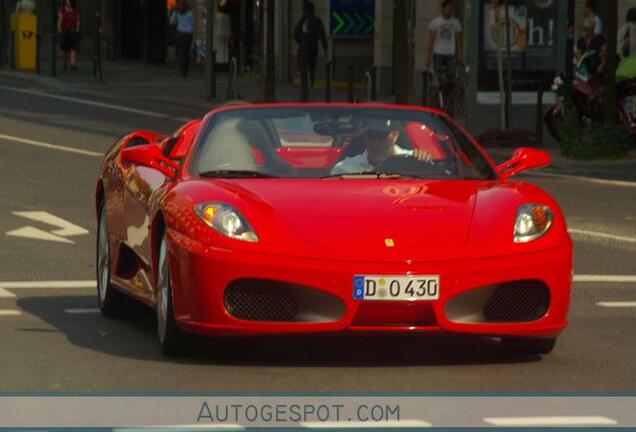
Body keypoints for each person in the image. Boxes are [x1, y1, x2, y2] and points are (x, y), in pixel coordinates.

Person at [331, 128, 433, 175]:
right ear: (364, 137)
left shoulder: (415, 162)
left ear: (395, 136)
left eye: (381, 137)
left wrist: (426, 163)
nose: (375, 143)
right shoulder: (344, 169)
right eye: (371, 136)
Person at [426, 1, 463, 108]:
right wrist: (428, 57)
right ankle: (438, 97)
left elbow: (458, 40)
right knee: (438, 77)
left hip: (450, 54)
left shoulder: (455, 23)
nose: (449, 10)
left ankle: (447, 100)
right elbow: (431, 40)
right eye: (447, 8)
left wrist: (459, 54)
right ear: (443, 9)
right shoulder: (435, 22)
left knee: (451, 78)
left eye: (451, 8)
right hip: (438, 53)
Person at [293, 1, 328, 95]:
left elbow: (295, 33)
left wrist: (300, 41)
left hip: (303, 49)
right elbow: (323, 37)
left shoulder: (303, 20)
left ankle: (304, 90)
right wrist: (326, 51)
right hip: (313, 49)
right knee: (311, 69)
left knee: (304, 71)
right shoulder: (317, 21)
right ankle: (310, 87)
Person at [575, 17, 606, 81]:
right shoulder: (581, 41)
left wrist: (602, 65)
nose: (586, 32)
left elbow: (604, 52)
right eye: (585, 29)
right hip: (585, 70)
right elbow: (578, 55)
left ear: (593, 29)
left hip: (596, 68)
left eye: (588, 30)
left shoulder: (599, 38)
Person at [169, 0, 194, 77]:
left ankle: (183, 70)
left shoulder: (177, 12)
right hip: (189, 34)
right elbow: (192, 23)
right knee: (186, 51)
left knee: (182, 52)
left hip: (180, 33)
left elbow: (171, 22)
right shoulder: (190, 13)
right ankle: (186, 68)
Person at [57, 0, 80, 71]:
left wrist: (77, 29)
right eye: (67, 0)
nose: (68, 2)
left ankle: (72, 64)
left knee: (73, 47)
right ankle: (65, 63)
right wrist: (60, 30)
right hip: (64, 30)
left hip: (72, 31)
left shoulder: (76, 10)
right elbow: (59, 21)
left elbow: (78, 20)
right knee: (65, 48)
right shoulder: (62, 10)